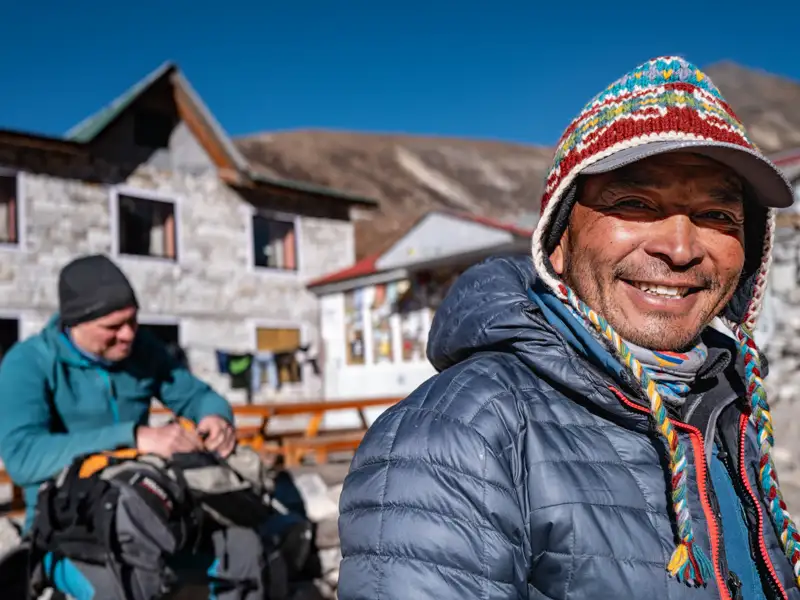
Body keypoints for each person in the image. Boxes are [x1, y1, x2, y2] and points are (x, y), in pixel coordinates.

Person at [337, 56, 800, 600]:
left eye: (718, 216)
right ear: (558, 241)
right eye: (634, 203)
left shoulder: (723, 408)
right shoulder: (462, 436)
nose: (680, 248)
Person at [0, 254, 239, 596]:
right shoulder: (28, 363)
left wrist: (215, 418)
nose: (127, 335)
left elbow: (198, 396)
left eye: (132, 321)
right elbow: (23, 457)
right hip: (68, 526)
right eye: (112, 327)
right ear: (74, 322)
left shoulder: (142, 351)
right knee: (126, 588)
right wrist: (134, 438)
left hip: (147, 507)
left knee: (242, 555)